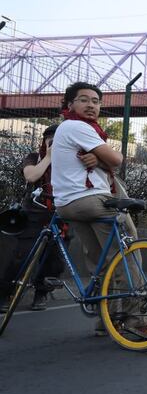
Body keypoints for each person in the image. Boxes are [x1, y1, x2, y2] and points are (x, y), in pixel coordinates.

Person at [51, 82, 147, 339]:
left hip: (67, 205)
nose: (91, 105)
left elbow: (106, 160)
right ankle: (136, 320)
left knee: (99, 260)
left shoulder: (69, 129)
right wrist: (105, 158)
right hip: (92, 201)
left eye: (96, 101)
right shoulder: (78, 127)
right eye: (84, 100)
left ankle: (105, 320)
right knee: (128, 255)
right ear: (69, 104)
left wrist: (99, 159)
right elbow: (117, 160)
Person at [0, 125, 62, 312]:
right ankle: (5, 293)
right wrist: (49, 157)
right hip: (33, 214)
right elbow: (32, 175)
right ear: (43, 141)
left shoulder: (71, 160)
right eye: (51, 140)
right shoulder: (34, 158)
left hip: (61, 214)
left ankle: (41, 293)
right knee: (20, 256)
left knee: (54, 258)